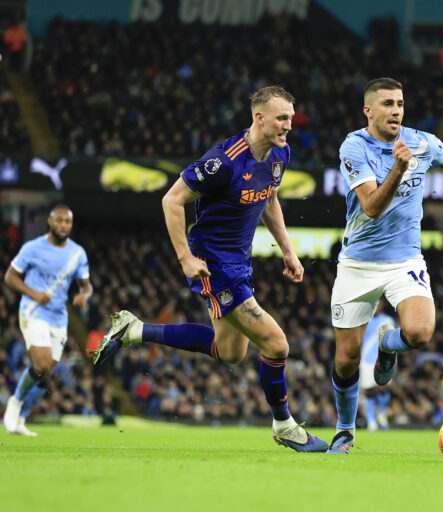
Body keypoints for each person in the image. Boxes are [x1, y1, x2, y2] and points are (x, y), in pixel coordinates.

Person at [90, 86, 328, 452]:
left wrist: (289, 251)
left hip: (240, 263)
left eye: (292, 119)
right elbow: (171, 200)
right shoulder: (223, 161)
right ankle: (285, 426)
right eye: (282, 118)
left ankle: (135, 329)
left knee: (230, 353)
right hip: (214, 265)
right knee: (277, 344)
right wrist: (186, 258)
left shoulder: (280, 154)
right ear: (259, 117)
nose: (289, 126)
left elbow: (270, 198)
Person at [326, 77, 443, 454]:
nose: (396, 111)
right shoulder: (354, 146)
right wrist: (399, 170)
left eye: (400, 103)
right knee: (346, 360)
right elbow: (370, 207)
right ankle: (344, 430)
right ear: (368, 110)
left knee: (419, 333)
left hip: (405, 260)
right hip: (358, 264)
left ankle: (388, 345)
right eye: (387, 104)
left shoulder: (420, 141)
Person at [3, 205, 92, 436]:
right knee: (42, 364)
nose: (63, 225)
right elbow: (10, 277)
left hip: (58, 317)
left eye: (67, 222)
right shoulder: (33, 248)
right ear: (50, 222)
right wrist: (34, 294)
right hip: (33, 311)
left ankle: (21, 420)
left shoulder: (77, 253)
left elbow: (87, 285)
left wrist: (84, 295)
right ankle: (15, 402)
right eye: (59, 221)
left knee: (47, 371)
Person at [359, 300, 396, 432]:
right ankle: (371, 421)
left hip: (382, 359)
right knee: (368, 390)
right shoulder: (363, 321)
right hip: (366, 360)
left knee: (384, 388)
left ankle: (382, 412)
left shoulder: (387, 320)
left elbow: (391, 340)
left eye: (378, 303)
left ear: (382, 305)